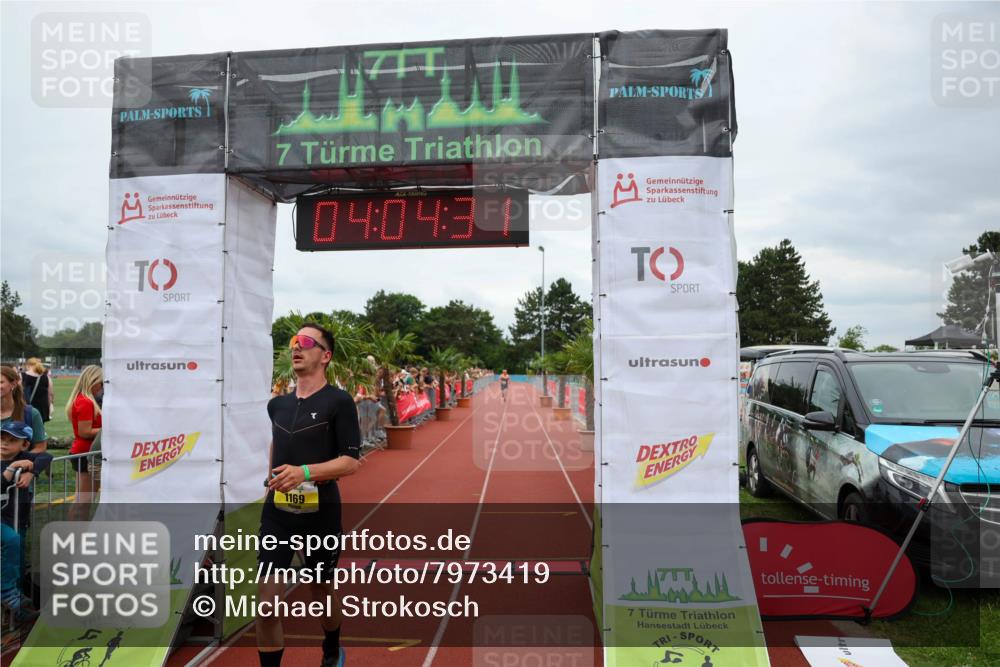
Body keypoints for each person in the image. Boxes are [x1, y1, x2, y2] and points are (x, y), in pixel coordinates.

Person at [257, 323, 361, 667]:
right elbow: (278, 441)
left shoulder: (340, 402)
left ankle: (332, 646)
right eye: (293, 342)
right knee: (267, 604)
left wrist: (303, 473)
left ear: (325, 356)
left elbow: (350, 463)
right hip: (278, 514)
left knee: (321, 593)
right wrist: (273, 474)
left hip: (321, 514)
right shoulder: (278, 406)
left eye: (305, 342)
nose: (296, 348)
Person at [1, 420, 51, 620]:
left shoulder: (24, 457)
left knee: (18, 561)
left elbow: (46, 456)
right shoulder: (14, 461)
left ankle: (18, 610)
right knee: (12, 541)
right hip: (4, 519)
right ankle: (5, 591)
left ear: (24, 445)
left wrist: (32, 471)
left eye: (12, 440)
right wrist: (13, 468)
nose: (4, 443)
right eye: (2, 438)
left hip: (17, 517)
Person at [66, 365, 103, 511]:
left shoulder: (84, 399)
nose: (101, 387)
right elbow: (84, 432)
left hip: (83, 453)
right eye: (100, 383)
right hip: (86, 453)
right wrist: (107, 429)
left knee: (82, 500)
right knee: (84, 501)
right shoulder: (86, 401)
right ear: (92, 381)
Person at [0, 366, 47, 454]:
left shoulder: (31, 414)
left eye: (1, 382)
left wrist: (16, 462)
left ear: (13, 384)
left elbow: (40, 447)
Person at [20, 358, 53, 423]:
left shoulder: (22, 376)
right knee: (39, 430)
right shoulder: (46, 377)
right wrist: (49, 406)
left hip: (26, 408)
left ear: (28, 365)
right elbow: (50, 395)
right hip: (42, 409)